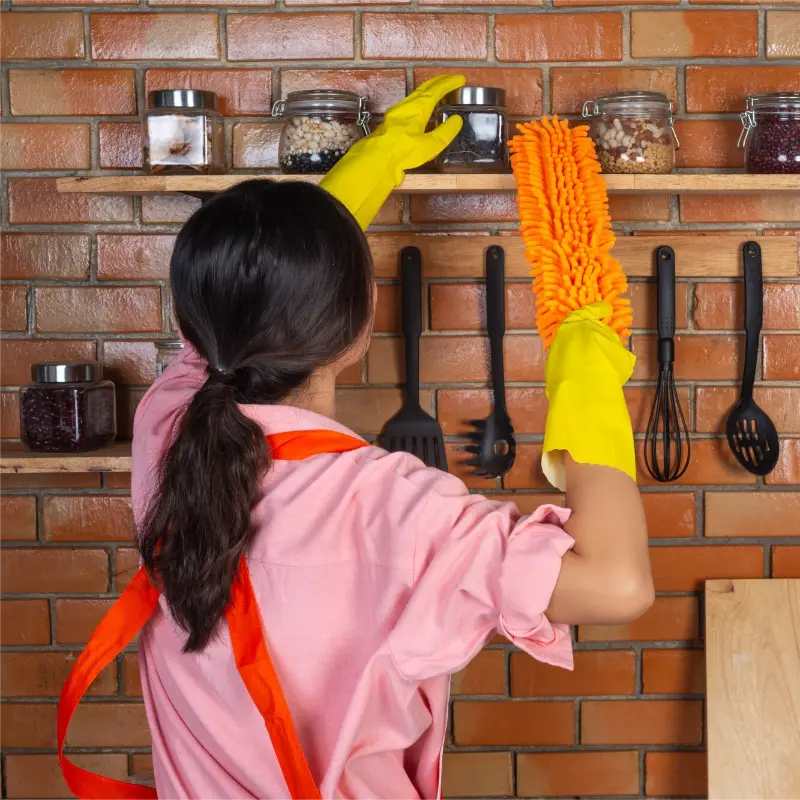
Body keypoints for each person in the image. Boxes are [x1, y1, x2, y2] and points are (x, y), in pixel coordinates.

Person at [58, 76, 652, 800]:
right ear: (362, 324)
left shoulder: (168, 427)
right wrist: (585, 367)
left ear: (192, 321)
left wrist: (380, 159)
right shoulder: (396, 507)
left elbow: (241, 303)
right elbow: (617, 583)